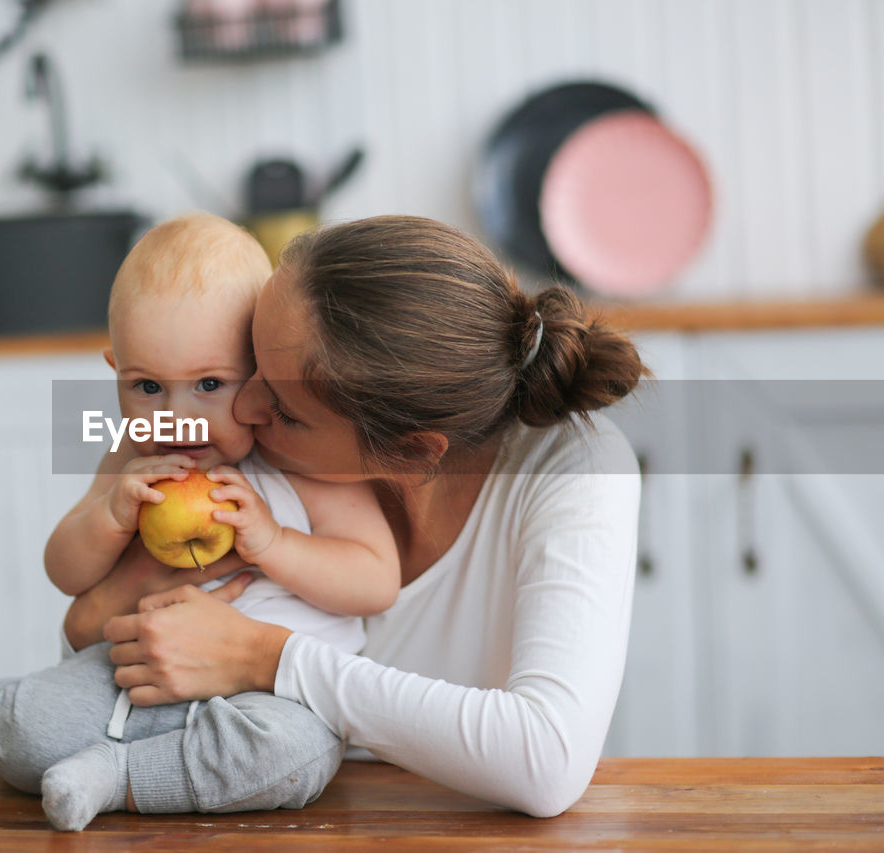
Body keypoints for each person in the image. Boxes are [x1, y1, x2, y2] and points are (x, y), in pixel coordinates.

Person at [66, 215, 649, 819]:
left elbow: (545, 760)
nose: (241, 404)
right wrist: (114, 597)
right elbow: (85, 625)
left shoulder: (575, 468)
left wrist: (267, 657)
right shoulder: (220, 457)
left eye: (285, 410)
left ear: (412, 451)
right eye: (250, 363)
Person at [0, 213, 400, 831]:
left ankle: (112, 776)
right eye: (146, 385)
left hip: (271, 700)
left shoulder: (303, 459)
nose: (174, 415)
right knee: (30, 734)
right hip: (135, 673)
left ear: (260, 371)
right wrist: (111, 516)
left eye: (208, 383)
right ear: (112, 367)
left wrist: (274, 544)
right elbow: (64, 570)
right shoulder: (128, 456)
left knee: (290, 760)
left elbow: (375, 580)